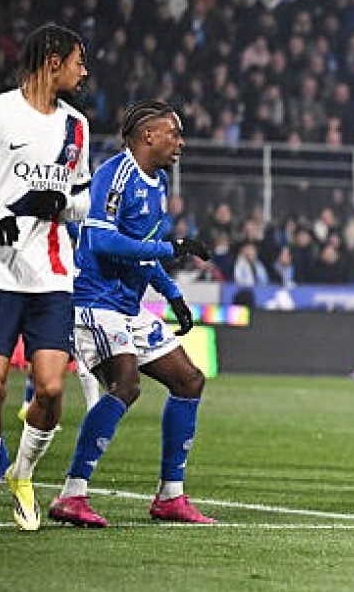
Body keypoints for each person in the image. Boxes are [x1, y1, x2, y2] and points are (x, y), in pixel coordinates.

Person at [0, 23, 94, 536]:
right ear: (53, 60)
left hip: (52, 274)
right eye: (78, 60)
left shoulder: (77, 126)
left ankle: (22, 475)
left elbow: (84, 200)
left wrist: (65, 204)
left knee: (51, 389)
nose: (84, 70)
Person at [48, 100, 215, 527]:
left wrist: (172, 294)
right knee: (126, 384)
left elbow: (142, 253)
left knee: (189, 379)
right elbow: (103, 241)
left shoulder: (156, 184)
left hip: (127, 306)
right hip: (95, 301)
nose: (180, 141)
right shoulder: (115, 175)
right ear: (148, 136)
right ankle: (72, 493)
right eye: (173, 133)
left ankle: (170, 497)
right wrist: (173, 248)